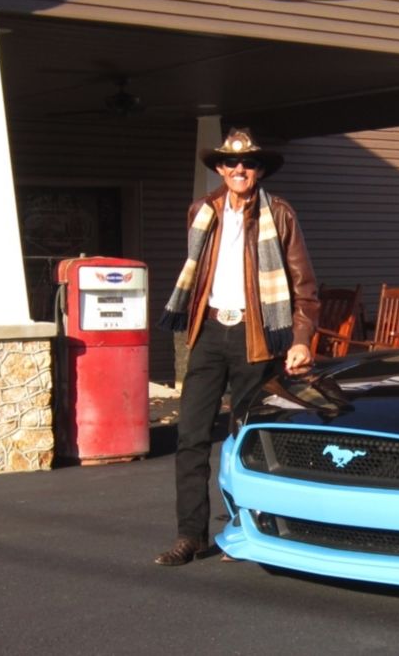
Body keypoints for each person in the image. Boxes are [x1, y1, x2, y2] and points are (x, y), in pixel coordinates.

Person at [155, 127, 319, 566]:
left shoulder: (279, 213)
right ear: (220, 169)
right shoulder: (201, 211)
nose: (239, 169)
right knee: (190, 437)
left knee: (247, 439)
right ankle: (190, 535)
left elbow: (304, 287)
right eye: (231, 163)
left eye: (247, 163)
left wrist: (300, 339)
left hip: (257, 335)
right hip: (209, 332)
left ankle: (244, 530)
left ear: (259, 169)